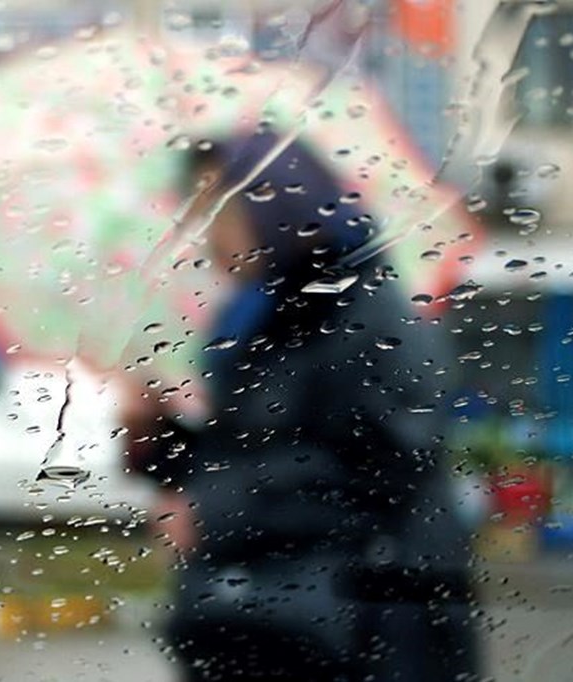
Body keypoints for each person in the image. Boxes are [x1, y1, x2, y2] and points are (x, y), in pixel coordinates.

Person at [123, 130, 480, 681]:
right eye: (198, 213)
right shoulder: (254, 321)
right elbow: (249, 452)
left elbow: (383, 469)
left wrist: (214, 512)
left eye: (219, 209)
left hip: (367, 630)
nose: (208, 236)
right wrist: (161, 440)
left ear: (281, 202)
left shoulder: (367, 317)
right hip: (271, 623)